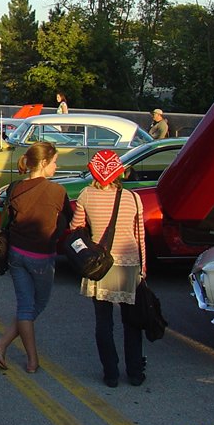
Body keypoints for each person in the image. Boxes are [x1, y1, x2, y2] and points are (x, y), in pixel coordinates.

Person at [0, 142, 72, 374]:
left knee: (25, 306)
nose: (56, 166)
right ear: (44, 163)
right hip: (41, 256)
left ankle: (15, 351)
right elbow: (68, 220)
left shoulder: (15, 187)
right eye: (54, 162)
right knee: (37, 305)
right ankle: (13, 349)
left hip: (16, 254)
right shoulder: (57, 191)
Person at [70, 150, 147, 388]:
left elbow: (75, 229)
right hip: (129, 264)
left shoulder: (85, 196)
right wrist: (143, 268)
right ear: (118, 172)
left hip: (99, 266)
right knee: (131, 321)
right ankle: (134, 372)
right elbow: (140, 235)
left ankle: (110, 373)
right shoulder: (134, 198)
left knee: (103, 322)